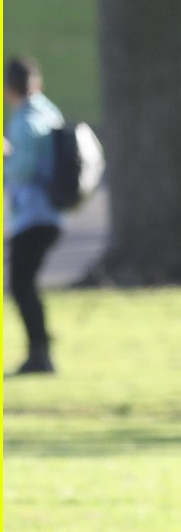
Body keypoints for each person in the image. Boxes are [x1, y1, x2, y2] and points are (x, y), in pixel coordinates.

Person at [3, 57, 65, 374]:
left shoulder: (25, 120)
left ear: (10, 89)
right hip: (51, 214)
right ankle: (40, 353)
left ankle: (40, 355)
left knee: (21, 285)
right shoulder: (49, 110)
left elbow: (23, 170)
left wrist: (5, 155)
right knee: (26, 285)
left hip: (32, 216)